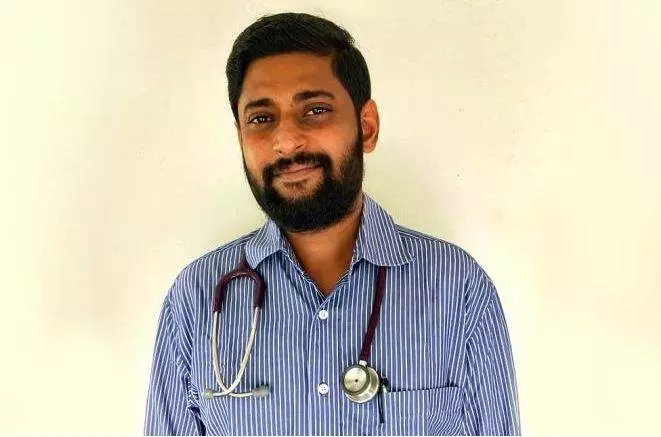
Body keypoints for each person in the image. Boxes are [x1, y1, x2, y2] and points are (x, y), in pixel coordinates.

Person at [144, 11, 520, 436]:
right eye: (261, 118)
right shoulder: (195, 300)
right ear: (240, 138)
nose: (286, 141)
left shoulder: (458, 290)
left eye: (315, 110)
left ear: (366, 127)